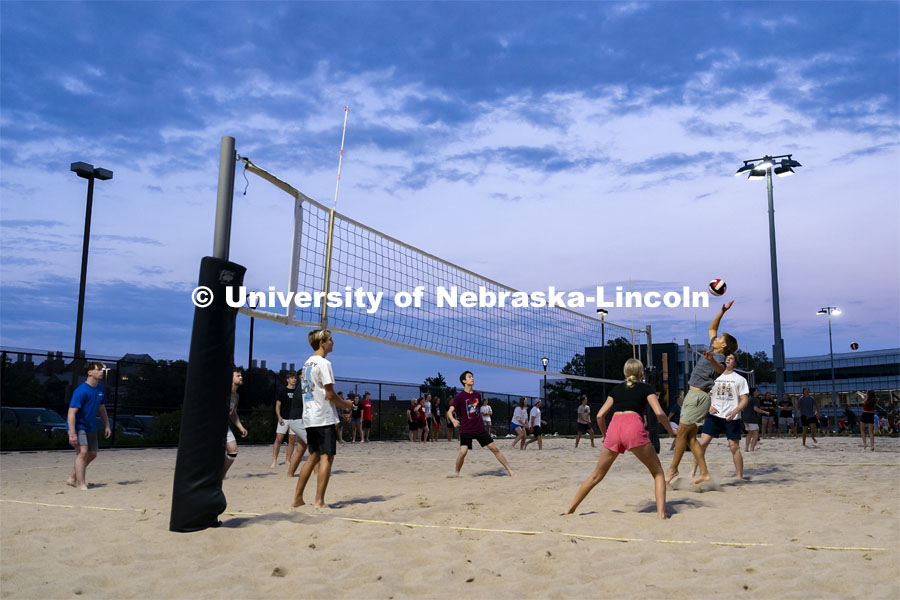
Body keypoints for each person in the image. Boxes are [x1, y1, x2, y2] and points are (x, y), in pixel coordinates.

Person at [564, 359, 675, 519]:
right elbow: (659, 413)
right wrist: (670, 430)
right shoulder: (646, 388)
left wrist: (604, 435)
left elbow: (600, 415)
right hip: (633, 427)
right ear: (642, 373)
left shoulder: (616, 389)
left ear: (625, 373)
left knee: (596, 476)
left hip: (614, 428)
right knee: (658, 473)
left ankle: (570, 510)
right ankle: (661, 515)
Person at [665, 301, 736, 485]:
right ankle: (704, 472)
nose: (717, 338)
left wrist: (712, 360)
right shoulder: (714, 347)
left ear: (724, 346)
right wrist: (722, 311)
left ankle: (673, 469)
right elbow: (712, 327)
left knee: (681, 432)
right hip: (693, 396)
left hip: (699, 397)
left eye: (721, 338)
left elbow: (720, 370)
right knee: (690, 437)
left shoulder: (719, 357)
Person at [292, 329, 353, 508]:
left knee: (313, 457)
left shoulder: (306, 364)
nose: (333, 342)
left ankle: (297, 499)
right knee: (326, 458)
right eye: (330, 339)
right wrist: (345, 405)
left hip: (309, 416)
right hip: (323, 417)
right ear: (322, 343)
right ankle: (319, 501)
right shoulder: (324, 363)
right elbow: (329, 394)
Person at [691, 353, 749, 481]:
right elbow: (705, 395)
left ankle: (739, 476)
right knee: (703, 443)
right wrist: (709, 406)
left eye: (731, 358)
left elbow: (744, 400)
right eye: (726, 358)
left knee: (734, 446)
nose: (728, 360)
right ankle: (693, 472)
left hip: (731, 417)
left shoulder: (740, 379)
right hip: (714, 415)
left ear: (735, 363)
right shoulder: (714, 378)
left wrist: (736, 410)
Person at [446, 370, 513, 477]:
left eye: (472, 377)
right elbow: (449, 412)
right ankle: (456, 473)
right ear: (464, 381)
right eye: (469, 377)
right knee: (463, 452)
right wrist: (453, 420)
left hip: (479, 428)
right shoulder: (459, 397)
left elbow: (476, 410)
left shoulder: (478, 395)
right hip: (466, 429)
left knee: (494, 448)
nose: (472, 378)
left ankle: (510, 471)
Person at [65, 362, 112, 490]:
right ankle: (81, 484)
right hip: (78, 425)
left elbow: (102, 409)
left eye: (102, 370)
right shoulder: (81, 391)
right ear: (89, 372)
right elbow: (71, 413)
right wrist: (72, 433)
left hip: (90, 426)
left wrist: (107, 425)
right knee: (83, 452)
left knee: (92, 454)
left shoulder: (100, 389)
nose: (101, 372)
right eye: (98, 370)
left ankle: (72, 478)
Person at [224, 369, 248, 478]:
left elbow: (233, 413)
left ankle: (220, 476)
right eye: (238, 375)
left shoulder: (236, 396)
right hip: (210, 425)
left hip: (223, 426)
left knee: (233, 451)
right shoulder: (222, 391)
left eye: (241, 375)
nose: (241, 377)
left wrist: (241, 427)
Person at [285, 370, 310, 478]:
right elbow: (309, 403)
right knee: (314, 446)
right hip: (297, 420)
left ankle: (290, 474)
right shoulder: (302, 388)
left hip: (300, 420)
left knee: (300, 449)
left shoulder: (305, 387)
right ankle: (318, 473)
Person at [271, 372, 298, 468]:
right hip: (284, 418)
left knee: (292, 440)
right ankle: (274, 460)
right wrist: (279, 416)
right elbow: (278, 405)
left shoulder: (298, 391)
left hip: (295, 419)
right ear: (287, 380)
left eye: (295, 378)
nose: (294, 380)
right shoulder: (282, 391)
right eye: (291, 378)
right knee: (279, 439)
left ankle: (288, 460)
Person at [742, 387, 767, 452]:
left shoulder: (747, 399)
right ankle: (752, 448)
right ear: (754, 392)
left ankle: (746, 448)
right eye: (756, 391)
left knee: (749, 434)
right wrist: (765, 412)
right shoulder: (755, 400)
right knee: (756, 434)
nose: (757, 392)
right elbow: (756, 409)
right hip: (752, 418)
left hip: (745, 418)